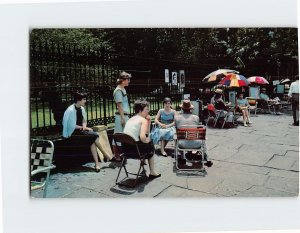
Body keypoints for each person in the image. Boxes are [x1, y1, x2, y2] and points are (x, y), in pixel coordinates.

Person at [62, 91, 112, 172]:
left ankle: (97, 163)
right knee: (94, 135)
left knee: (92, 139)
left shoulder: (81, 109)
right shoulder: (70, 110)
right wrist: (84, 128)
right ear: (78, 100)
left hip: (80, 131)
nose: (85, 101)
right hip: (72, 133)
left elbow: (84, 120)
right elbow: (71, 126)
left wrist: (84, 127)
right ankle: (105, 155)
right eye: (84, 99)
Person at [123, 100, 161, 179]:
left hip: (125, 151)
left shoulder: (130, 120)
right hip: (136, 151)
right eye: (146, 109)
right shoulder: (142, 120)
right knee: (150, 143)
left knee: (144, 141)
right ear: (140, 110)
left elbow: (144, 134)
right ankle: (152, 172)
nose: (148, 111)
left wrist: (149, 122)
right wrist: (149, 140)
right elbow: (143, 138)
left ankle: (143, 162)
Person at [175, 99, 213, 167]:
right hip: (196, 144)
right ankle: (208, 159)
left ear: (182, 109)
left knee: (177, 137)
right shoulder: (196, 118)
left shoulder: (177, 118)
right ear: (191, 109)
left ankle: (182, 156)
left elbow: (176, 128)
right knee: (202, 138)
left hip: (183, 144)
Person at [112, 71, 131, 162]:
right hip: (120, 116)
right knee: (118, 135)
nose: (129, 81)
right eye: (128, 79)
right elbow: (119, 105)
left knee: (123, 135)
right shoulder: (118, 90)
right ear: (123, 80)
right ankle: (116, 155)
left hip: (124, 115)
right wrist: (123, 118)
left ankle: (120, 153)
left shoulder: (123, 89)